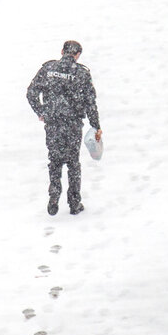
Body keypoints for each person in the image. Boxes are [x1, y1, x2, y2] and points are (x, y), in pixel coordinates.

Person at [26, 40, 102, 215]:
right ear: (77, 55)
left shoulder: (48, 69)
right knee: (73, 163)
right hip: (73, 124)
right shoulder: (82, 74)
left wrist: (41, 111)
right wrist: (96, 125)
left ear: (62, 51)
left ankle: (54, 196)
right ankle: (74, 203)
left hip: (53, 123)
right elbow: (90, 103)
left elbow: (31, 92)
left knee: (55, 161)